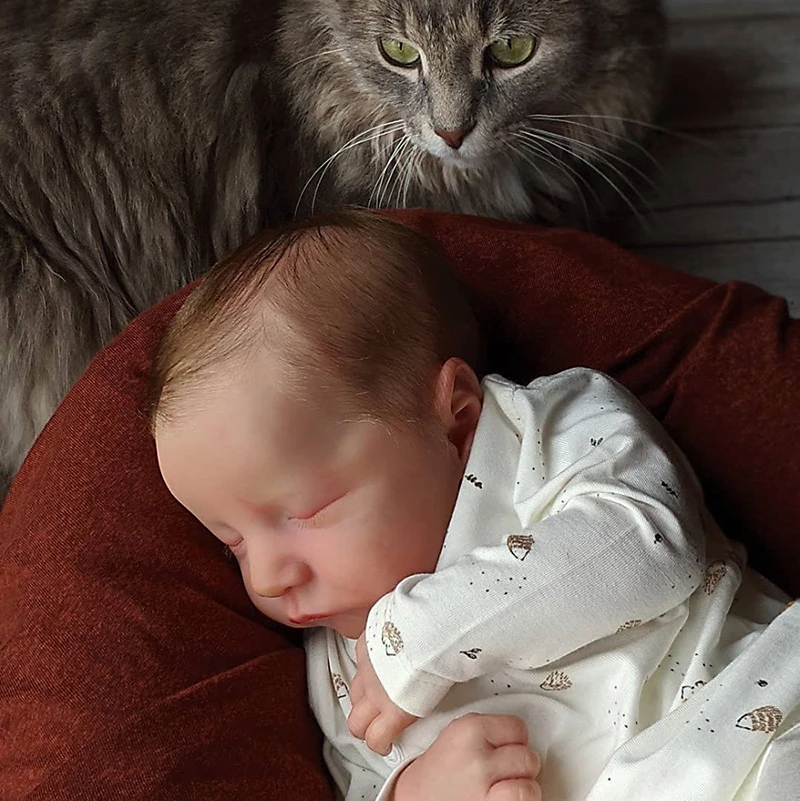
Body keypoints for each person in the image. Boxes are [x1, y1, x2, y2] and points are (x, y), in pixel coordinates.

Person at [150, 210, 800, 801]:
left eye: (308, 509)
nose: (266, 575)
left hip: (747, 722)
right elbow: (360, 776)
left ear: (457, 421)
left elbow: (653, 544)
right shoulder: (338, 663)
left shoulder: (548, 431)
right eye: (232, 543)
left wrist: (421, 634)